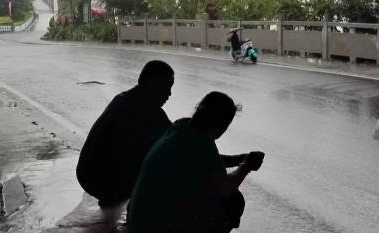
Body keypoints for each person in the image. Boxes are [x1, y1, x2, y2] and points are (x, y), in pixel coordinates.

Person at [128, 91, 265, 233]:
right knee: (232, 202)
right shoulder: (202, 143)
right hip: (153, 227)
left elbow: (205, 160)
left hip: (138, 217)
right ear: (223, 124)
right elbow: (225, 188)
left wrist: (238, 159)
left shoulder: (181, 126)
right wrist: (246, 166)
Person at [76, 60, 175, 209]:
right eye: (166, 87)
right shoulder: (148, 111)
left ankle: (114, 193)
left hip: (86, 175)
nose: (169, 94)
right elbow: (179, 141)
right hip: (101, 182)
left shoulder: (123, 98)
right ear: (151, 84)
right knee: (165, 161)